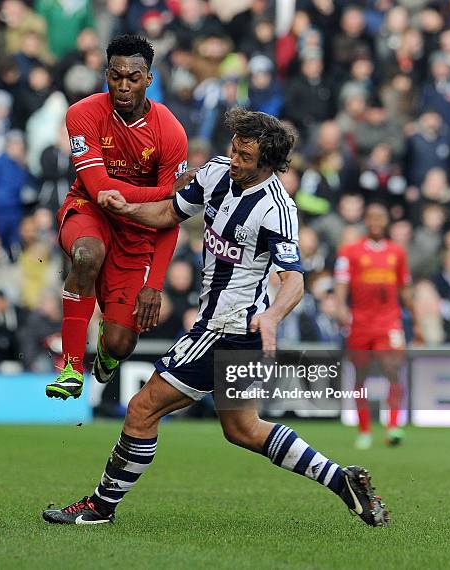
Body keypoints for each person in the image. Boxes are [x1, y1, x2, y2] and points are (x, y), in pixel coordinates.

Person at [42, 109, 389, 528]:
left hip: (228, 329)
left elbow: (294, 278)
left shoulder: (277, 209)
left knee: (141, 409)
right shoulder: (217, 173)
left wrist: (275, 316)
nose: (236, 160)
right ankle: (340, 479)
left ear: (269, 164)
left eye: (246, 156)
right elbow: (169, 214)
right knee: (242, 429)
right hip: (227, 328)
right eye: (234, 150)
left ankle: (100, 507)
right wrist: (126, 207)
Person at [46, 35, 190, 400]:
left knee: (122, 342)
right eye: (115, 76)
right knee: (86, 256)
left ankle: (107, 353)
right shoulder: (82, 114)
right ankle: (70, 367)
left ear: (149, 79)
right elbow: (99, 188)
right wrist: (168, 192)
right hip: (89, 211)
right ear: (105, 74)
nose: (123, 86)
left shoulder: (170, 132)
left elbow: (170, 217)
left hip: (139, 231)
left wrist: (154, 285)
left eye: (133, 77)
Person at [334, 203, 422, 450]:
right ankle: (364, 430)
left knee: (393, 370)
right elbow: (341, 285)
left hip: (389, 322)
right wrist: (340, 308)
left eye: (380, 217)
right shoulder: (350, 252)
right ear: (365, 220)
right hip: (360, 322)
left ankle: (393, 426)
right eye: (371, 217)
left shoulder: (397, 253)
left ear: (386, 222)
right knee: (360, 375)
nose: (375, 222)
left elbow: (405, 290)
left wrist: (416, 322)